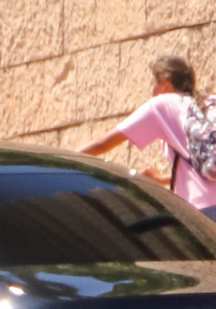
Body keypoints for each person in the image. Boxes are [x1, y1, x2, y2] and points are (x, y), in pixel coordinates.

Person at [81, 56, 216, 217]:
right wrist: (163, 179)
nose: (151, 91)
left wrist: (62, 159)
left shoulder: (163, 104)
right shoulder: (209, 103)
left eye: (153, 84)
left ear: (165, 83)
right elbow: (203, 164)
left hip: (203, 213)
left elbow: (103, 143)